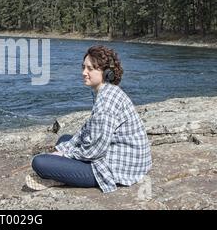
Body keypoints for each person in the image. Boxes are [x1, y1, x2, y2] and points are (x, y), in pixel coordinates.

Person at [25, 45, 152, 193]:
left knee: (39, 162)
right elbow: (90, 130)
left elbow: (95, 151)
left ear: (106, 73)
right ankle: (63, 173)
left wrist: (66, 154)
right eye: (83, 67)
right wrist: (66, 149)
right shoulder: (107, 91)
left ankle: (59, 177)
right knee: (64, 139)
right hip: (128, 158)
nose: (84, 73)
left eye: (90, 69)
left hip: (119, 168)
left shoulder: (106, 102)